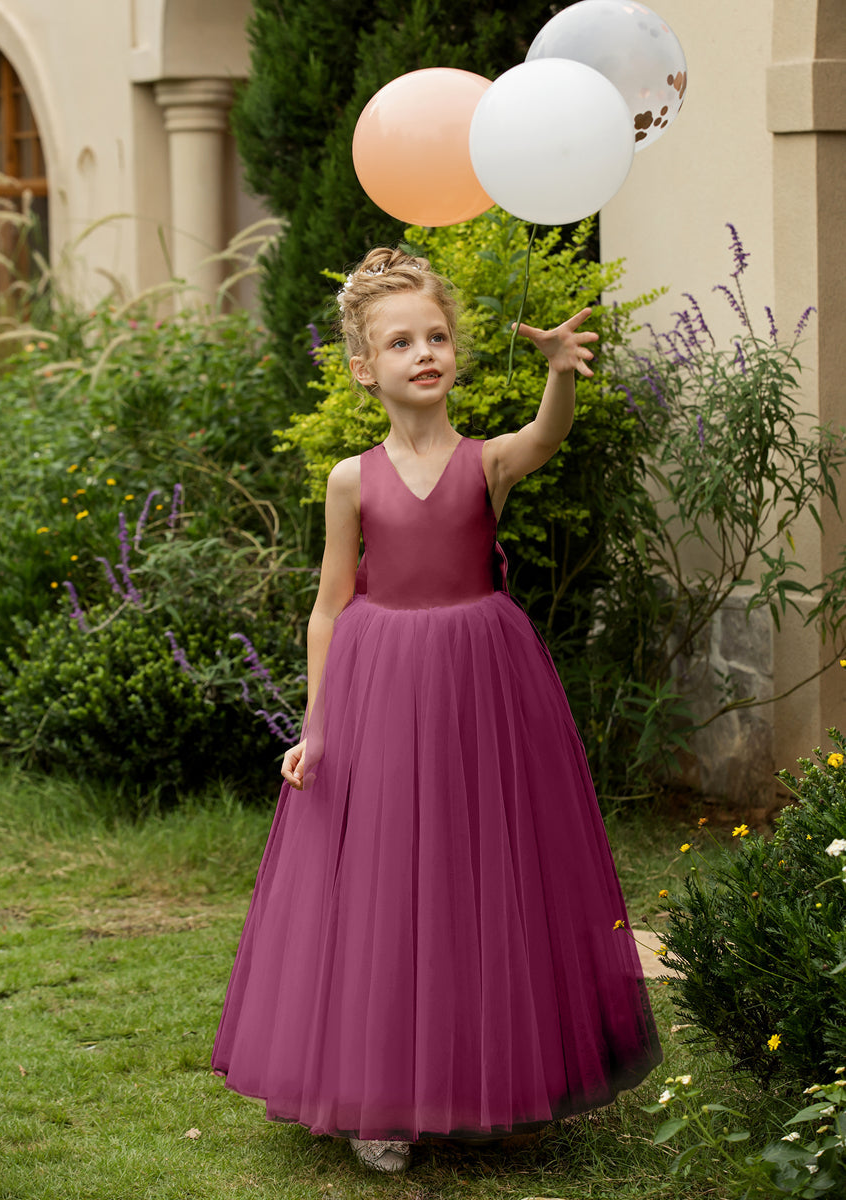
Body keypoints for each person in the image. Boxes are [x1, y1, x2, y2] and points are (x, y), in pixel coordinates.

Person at [212, 247, 662, 1174]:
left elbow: (545, 439)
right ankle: (379, 1095)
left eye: (437, 337)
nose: (424, 353)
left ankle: (504, 1076)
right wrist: (316, 727)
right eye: (401, 342)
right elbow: (329, 606)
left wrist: (558, 374)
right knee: (385, 879)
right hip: (379, 686)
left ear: (456, 351)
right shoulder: (351, 479)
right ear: (362, 368)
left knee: (484, 870)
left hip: (482, 685)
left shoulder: (485, 462)